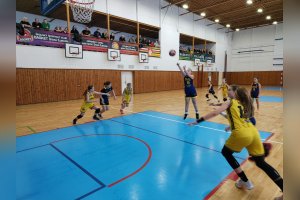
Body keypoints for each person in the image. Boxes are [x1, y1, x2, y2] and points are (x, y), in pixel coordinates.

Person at [189, 85, 283, 200]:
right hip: (253, 132)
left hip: (242, 133)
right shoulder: (242, 104)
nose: (227, 91)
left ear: (234, 93)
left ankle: (245, 181)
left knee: (226, 152)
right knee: (261, 163)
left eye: (229, 89)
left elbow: (214, 114)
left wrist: (198, 121)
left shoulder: (230, 102)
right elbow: (241, 119)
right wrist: (230, 126)